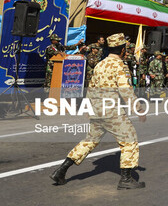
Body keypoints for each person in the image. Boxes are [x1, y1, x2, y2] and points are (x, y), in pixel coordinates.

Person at [49, 33, 146, 189]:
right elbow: (126, 90)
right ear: (122, 50)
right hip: (111, 110)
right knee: (130, 140)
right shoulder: (120, 65)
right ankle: (126, 179)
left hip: (96, 109)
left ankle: (61, 170)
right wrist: (139, 108)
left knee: (90, 141)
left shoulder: (100, 64)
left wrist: (88, 107)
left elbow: (91, 86)